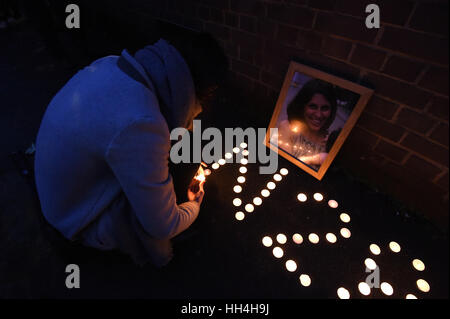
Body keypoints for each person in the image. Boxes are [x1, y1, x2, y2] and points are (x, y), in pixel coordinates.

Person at [34, 33, 228, 267]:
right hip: (73, 218)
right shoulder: (141, 121)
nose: (194, 120)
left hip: (56, 189)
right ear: (191, 95)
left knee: (164, 162)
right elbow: (164, 225)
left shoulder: (111, 64)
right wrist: (194, 205)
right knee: (157, 238)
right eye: (198, 109)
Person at [276, 79, 338, 170]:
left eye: (325, 108)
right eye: (313, 106)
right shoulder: (286, 127)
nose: (318, 114)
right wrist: (314, 159)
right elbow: (281, 166)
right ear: (302, 106)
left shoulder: (331, 141)